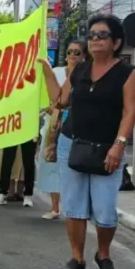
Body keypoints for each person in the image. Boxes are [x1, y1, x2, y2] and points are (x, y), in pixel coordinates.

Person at [39, 14, 135, 269]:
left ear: (116, 42)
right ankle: (77, 257)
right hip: (71, 144)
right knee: (73, 206)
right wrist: (47, 71)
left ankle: (104, 254)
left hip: (107, 150)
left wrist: (119, 145)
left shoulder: (127, 74)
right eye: (92, 35)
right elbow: (59, 100)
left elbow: (130, 112)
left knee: (105, 210)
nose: (95, 40)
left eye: (102, 35)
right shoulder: (81, 69)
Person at [36, 40, 84, 220]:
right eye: (70, 51)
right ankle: (55, 207)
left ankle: (72, 207)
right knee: (51, 164)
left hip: (76, 127)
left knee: (72, 167)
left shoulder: (85, 76)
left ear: (84, 56)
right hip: (55, 126)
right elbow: (52, 97)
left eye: (77, 52)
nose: (72, 55)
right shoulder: (55, 72)